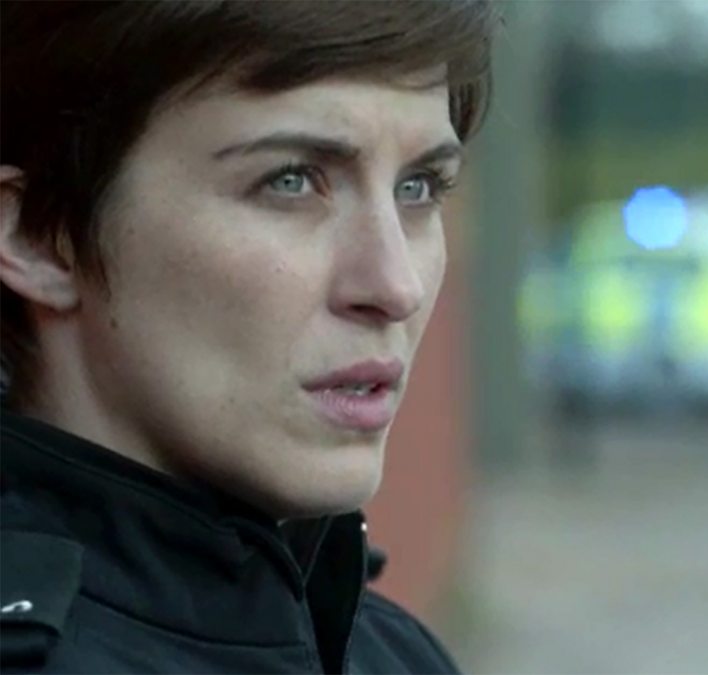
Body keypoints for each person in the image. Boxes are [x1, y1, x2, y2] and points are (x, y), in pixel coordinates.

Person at [0, 2, 495, 672]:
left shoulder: (390, 652)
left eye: (418, 187)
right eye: (290, 181)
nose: (395, 286)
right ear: (37, 237)